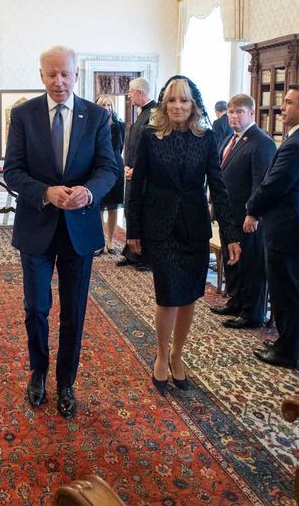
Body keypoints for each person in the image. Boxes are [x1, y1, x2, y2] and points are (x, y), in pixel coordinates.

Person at [3, 46, 118, 418]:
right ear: (41, 76)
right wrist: (46, 193)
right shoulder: (23, 115)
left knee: (74, 312)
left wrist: (89, 192)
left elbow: (108, 169)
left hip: (79, 229)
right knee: (36, 307)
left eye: (65, 74)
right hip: (36, 226)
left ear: (76, 75)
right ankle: (38, 371)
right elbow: (13, 171)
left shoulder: (97, 116)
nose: (59, 81)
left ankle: (65, 381)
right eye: (51, 74)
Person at [126, 76, 241, 393]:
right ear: (164, 104)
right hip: (159, 227)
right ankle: (161, 356)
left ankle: (178, 355)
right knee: (167, 295)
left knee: (190, 295)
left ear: (194, 105)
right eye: (172, 100)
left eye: (184, 100)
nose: (178, 106)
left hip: (193, 228)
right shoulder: (151, 138)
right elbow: (137, 187)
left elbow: (218, 188)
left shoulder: (205, 139)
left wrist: (230, 234)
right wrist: (132, 229)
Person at [245, 84, 299, 368]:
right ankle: (293, 345)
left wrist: (252, 209)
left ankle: (287, 351)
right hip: (294, 226)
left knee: (286, 293)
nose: (282, 107)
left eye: (288, 103)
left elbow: (273, 185)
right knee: (294, 290)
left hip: (287, 228)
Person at [209, 93, 275, 329]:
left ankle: (251, 312)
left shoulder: (262, 142)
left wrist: (253, 214)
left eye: (239, 112)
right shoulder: (230, 139)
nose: (234, 117)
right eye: (231, 112)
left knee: (249, 265)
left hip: (247, 218)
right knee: (232, 262)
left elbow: (261, 183)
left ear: (251, 113)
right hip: (229, 216)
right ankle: (236, 301)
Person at [118, 77, 156, 270]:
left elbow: (151, 148)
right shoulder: (142, 112)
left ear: (140, 92)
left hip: (143, 175)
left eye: (131, 92)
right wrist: (127, 165)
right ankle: (132, 253)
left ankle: (144, 256)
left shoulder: (155, 113)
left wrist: (138, 169)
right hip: (131, 171)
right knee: (130, 210)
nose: (129, 96)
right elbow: (133, 144)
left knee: (142, 213)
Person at [95, 94, 125, 255]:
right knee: (99, 206)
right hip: (99, 168)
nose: (107, 108)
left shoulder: (119, 125)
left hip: (116, 166)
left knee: (114, 206)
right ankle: (99, 242)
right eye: (104, 105)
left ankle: (110, 241)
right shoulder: (93, 125)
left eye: (109, 105)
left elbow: (120, 147)